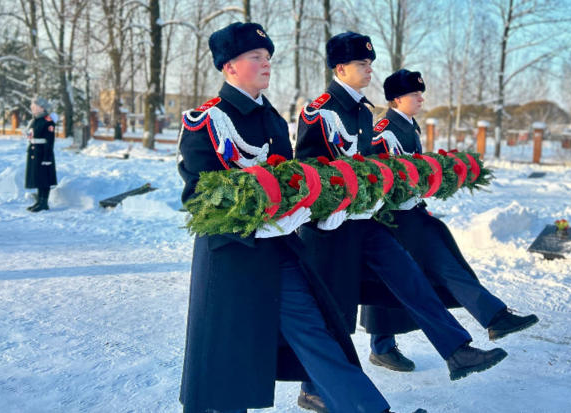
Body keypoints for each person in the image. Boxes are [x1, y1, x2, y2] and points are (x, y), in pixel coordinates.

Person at [177, 22, 424, 413]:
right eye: (255, 57)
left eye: (268, 57)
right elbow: (197, 197)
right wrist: (258, 217)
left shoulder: (273, 119)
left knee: (318, 332)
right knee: (227, 366)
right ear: (228, 67)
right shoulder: (206, 121)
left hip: (280, 252)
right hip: (232, 259)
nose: (266, 64)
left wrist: (305, 209)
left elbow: (290, 180)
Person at [294, 31, 508, 413]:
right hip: (329, 231)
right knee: (335, 311)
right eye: (362, 64)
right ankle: (312, 390)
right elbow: (307, 174)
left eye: (370, 64)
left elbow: (369, 166)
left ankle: (457, 352)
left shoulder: (362, 110)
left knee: (411, 277)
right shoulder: (320, 112)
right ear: (340, 68)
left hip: (364, 221)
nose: (369, 70)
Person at [363, 69, 540, 372]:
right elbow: (377, 177)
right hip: (392, 222)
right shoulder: (384, 131)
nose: (420, 98)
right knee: (393, 284)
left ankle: (495, 317)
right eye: (414, 94)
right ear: (395, 99)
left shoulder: (407, 126)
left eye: (421, 93)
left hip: (414, 217)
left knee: (444, 266)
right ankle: (383, 346)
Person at [25, 97, 57, 212]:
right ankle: (39, 201)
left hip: (43, 153)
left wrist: (47, 157)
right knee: (38, 177)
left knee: (44, 178)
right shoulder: (35, 120)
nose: (31, 108)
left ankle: (44, 202)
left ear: (42, 107)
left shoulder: (47, 121)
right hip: (34, 152)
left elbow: (50, 141)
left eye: (34, 106)